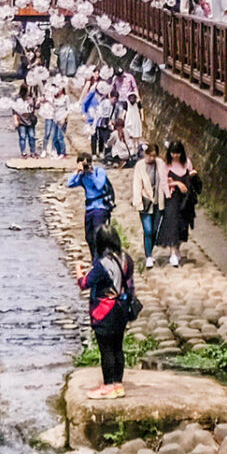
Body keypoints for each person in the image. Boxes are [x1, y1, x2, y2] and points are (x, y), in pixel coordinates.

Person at [77, 224, 138, 396]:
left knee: (106, 349)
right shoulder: (127, 259)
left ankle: (108, 385)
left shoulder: (102, 264)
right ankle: (118, 384)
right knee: (118, 347)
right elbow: (129, 284)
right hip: (122, 308)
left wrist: (78, 272)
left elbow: (85, 284)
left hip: (104, 311)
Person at [154, 139, 200, 266]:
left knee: (183, 225)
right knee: (172, 224)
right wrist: (173, 187)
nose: (175, 156)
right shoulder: (166, 166)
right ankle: (173, 252)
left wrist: (193, 175)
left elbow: (190, 177)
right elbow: (163, 182)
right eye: (173, 153)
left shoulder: (187, 163)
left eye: (177, 153)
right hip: (172, 198)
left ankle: (177, 248)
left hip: (185, 199)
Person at [65, 153, 116, 247]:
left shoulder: (99, 171)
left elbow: (99, 186)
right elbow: (69, 184)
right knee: (89, 237)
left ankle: (99, 258)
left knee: (98, 235)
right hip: (89, 208)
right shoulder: (82, 176)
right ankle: (94, 259)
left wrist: (91, 173)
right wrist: (77, 171)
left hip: (101, 207)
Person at [131, 144, 165, 258]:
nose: (152, 158)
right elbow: (137, 185)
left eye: (154, 156)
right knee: (148, 230)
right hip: (145, 202)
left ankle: (150, 248)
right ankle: (149, 256)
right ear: (145, 154)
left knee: (155, 229)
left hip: (158, 202)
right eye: (150, 155)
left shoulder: (160, 164)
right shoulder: (140, 166)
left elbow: (164, 179)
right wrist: (138, 202)